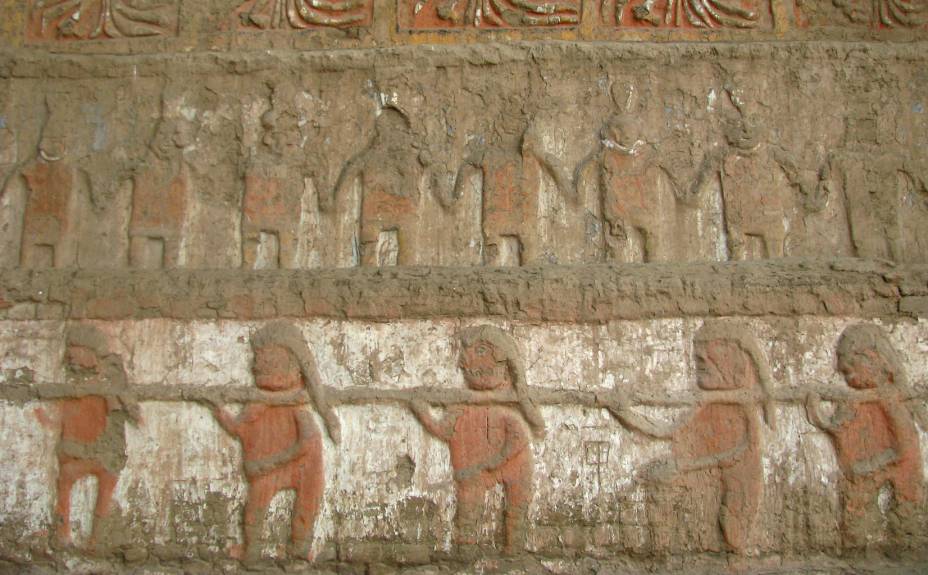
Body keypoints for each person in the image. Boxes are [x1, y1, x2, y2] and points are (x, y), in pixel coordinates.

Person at [604, 322, 774, 556]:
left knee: (730, 533)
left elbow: (741, 451)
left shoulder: (741, 403)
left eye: (709, 352)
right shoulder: (707, 401)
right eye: (699, 355)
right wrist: (624, 413)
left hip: (728, 480)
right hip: (704, 475)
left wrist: (683, 467)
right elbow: (665, 430)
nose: (700, 359)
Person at [408, 325, 545, 553]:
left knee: (516, 507)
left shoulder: (512, 404)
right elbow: (444, 431)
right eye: (468, 355)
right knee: (468, 508)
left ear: (504, 362)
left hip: (511, 463)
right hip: (474, 468)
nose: (465, 363)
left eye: (481, 351)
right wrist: (423, 413)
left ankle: (513, 548)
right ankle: (466, 548)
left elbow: (526, 433)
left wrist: (494, 461)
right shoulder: (462, 403)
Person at [211, 322, 340, 562]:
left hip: (298, 465)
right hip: (270, 467)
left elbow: (308, 442)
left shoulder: (298, 405)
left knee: (306, 504)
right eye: (259, 359)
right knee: (254, 508)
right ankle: (251, 550)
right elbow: (240, 429)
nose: (257, 365)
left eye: (268, 360)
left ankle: (299, 550)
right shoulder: (257, 403)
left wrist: (272, 462)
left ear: (293, 366)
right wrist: (219, 412)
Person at [806, 324, 924, 549]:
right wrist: (817, 415)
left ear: (872, 359)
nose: (849, 379)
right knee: (855, 519)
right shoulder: (856, 399)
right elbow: (839, 427)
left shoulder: (888, 397)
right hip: (864, 467)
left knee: (906, 518)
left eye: (852, 371)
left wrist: (870, 465)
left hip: (890, 463)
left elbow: (903, 447)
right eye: (845, 374)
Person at [34, 324, 140, 548]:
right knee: (69, 477)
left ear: (89, 354)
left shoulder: (107, 385)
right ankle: (78, 536)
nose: (70, 358)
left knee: (69, 477)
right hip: (91, 452)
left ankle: (81, 536)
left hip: (104, 455)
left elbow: (117, 420)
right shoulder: (81, 387)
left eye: (75, 353)